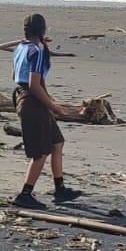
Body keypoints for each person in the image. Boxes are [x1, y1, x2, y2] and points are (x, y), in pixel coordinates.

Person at [10, 13, 82, 208]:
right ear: (42, 30)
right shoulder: (35, 52)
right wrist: (53, 106)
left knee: (57, 142)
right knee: (40, 152)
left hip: (27, 97)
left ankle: (60, 189)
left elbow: (25, 78)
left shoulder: (20, 48)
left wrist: (48, 101)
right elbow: (34, 84)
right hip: (31, 101)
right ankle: (25, 193)